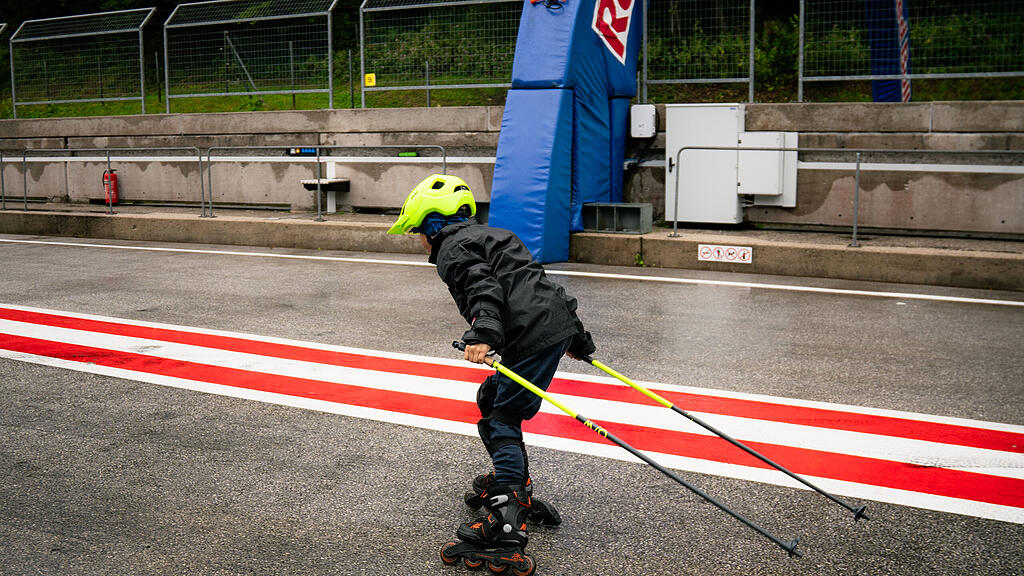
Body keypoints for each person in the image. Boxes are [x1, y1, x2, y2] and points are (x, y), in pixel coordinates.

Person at [388, 173, 595, 556]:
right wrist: (578, 339)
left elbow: (481, 286)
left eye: (417, 232)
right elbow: (543, 286)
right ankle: (511, 482)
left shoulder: (452, 249)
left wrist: (482, 333)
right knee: (492, 396)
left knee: (502, 419)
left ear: (431, 226)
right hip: (554, 326)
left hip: (529, 337)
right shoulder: (498, 235)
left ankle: (506, 521)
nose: (419, 241)